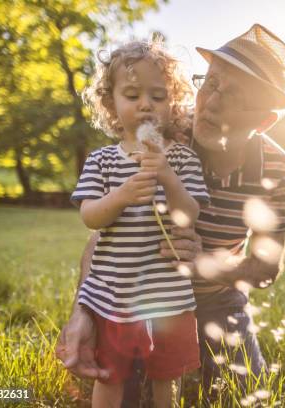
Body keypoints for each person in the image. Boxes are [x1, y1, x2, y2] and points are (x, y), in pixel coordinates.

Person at [56, 23, 285, 405]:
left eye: (234, 96)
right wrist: (83, 310)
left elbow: (265, 269)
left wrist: (205, 265)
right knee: (123, 390)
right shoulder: (161, 130)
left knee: (246, 395)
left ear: (263, 121)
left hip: (218, 300)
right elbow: (105, 233)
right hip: (138, 295)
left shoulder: (277, 170)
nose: (212, 102)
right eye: (211, 83)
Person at [64, 38, 210, 408]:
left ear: (171, 103)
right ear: (111, 102)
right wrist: (122, 196)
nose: (146, 104)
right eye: (132, 94)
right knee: (110, 374)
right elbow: (89, 215)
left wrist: (168, 178)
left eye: (157, 96)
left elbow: (189, 214)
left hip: (169, 296)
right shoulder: (103, 161)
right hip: (115, 293)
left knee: (167, 375)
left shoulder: (182, 160)